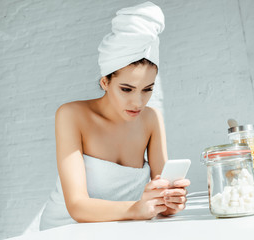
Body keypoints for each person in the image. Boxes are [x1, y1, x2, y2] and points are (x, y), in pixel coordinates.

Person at [39, 2, 190, 230]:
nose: (138, 102)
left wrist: (169, 202)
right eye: (126, 89)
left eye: (147, 89)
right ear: (105, 82)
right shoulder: (72, 115)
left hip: (122, 228)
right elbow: (77, 206)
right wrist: (137, 209)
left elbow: (159, 199)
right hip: (66, 229)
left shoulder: (151, 119)